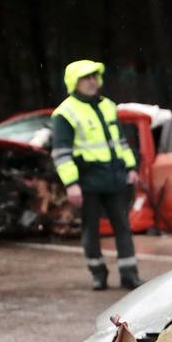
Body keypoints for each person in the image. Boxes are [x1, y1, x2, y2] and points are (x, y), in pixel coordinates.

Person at [51, 59, 142, 290]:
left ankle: (129, 274)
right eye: (86, 78)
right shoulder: (65, 113)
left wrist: (131, 169)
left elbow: (120, 141)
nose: (92, 82)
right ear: (74, 82)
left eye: (94, 77)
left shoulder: (108, 106)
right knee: (91, 230)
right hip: (87, 180)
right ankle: (98, 274)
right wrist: (71, 184)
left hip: (114, 177)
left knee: (123, 226)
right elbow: (61, 153)